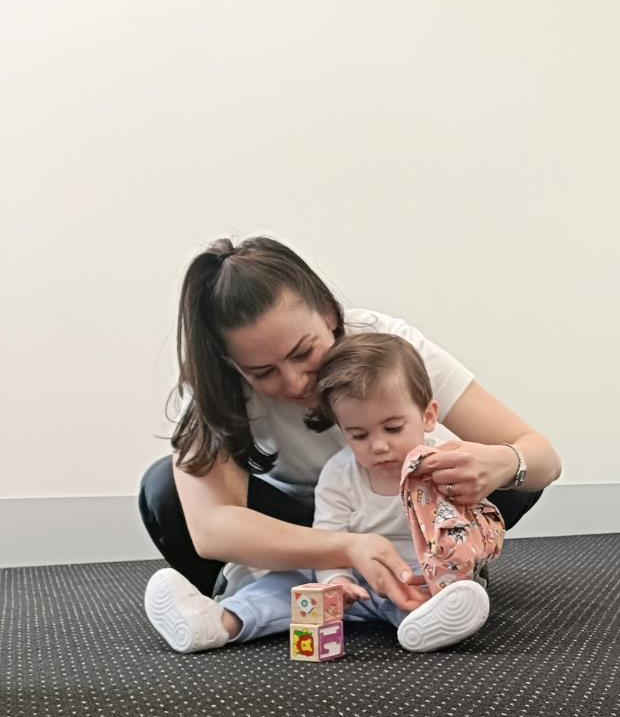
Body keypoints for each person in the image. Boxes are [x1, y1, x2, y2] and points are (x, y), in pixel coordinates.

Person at [139, 236, 560, 617]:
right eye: (262, 372)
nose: (295, 382)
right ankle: (248, 600)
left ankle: (437, 573)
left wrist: (503, 462)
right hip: (303, 527)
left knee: (512, 476)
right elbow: (211, 529)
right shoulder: (214, 387)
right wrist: (346, 547)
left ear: (329, 314)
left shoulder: (388, 346)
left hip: (401, 514)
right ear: (231, 363)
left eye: (304, 353)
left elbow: (543, 459)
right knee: (164, 489)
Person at [145, 333, 504, 654]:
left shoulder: (445, 460)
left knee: (421, 593)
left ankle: (427, 626)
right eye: (358, 435)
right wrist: (337, 582)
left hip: (411, 574)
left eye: (393, 428)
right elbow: (327, 538)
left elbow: (466, 526)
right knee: (282, 587)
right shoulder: (340, 473)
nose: (378, 446)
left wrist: (454, 567)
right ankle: (220, 623)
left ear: (428, 417)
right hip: (349, 576)